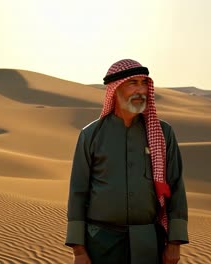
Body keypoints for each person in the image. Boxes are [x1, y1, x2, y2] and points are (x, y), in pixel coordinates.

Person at [65, 59, 189, 264]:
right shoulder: (91, 135)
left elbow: (175, 187)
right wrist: (78, 250)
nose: (141, 90)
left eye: (144, 83)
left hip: (148, 242)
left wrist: (174, 243)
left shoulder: (163, 133)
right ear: (115, 89)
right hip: (101, 243)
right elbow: (78, 192)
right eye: (133, 83)